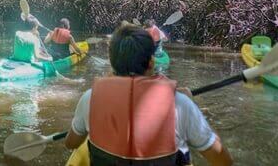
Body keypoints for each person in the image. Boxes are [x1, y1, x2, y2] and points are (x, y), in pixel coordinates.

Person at [65, 22, 233, 166]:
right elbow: (223, 160)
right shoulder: (180, 104)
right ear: (151, 62)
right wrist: (192, 107)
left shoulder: (90, 98)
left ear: (111, 62)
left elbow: (71, 143)